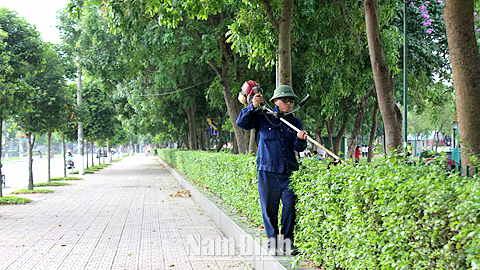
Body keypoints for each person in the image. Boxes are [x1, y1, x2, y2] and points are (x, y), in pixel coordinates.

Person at [236, 85, 307, 255]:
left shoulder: (295, 122)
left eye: (291, 100)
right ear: (275, 101)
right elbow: (241, 123)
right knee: (269, 209)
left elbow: (298, 147)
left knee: (289, 207)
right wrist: (252, 106)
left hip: (288, 171)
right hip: (267, 171)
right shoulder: (262, 116)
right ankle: (273, 243)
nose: (289, 103)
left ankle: (288, 242)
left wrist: (301, 139)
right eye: (285, 100)